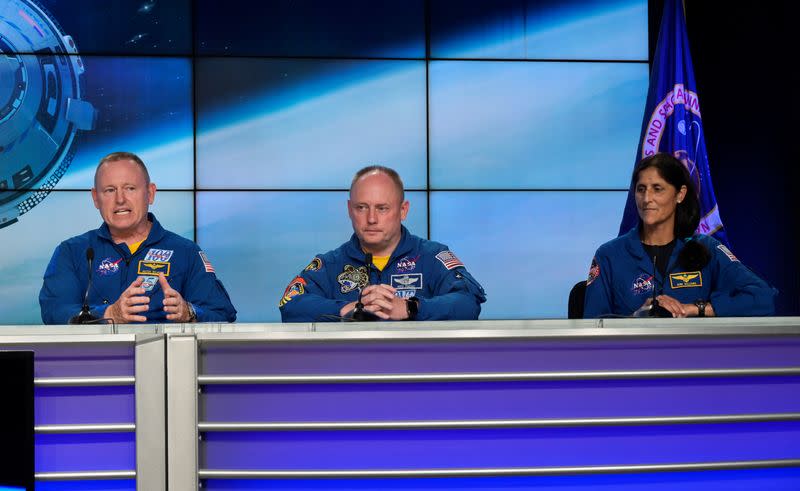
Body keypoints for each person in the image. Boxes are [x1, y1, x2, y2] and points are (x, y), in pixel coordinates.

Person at [39, 152, 237, 324]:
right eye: (109, 190)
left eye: (130, 188)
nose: (120, 199)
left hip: (163, 364)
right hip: (94, 364)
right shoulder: (72, 252)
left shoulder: (186, 252)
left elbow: (223, 315)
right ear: (95, 198)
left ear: (150, 193)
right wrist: (108, 314)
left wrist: (189, 313)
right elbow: (53, 311)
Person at [279, 165, 486, 322]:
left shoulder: (432, 257)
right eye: (361, 207)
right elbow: (290, 304)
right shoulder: (329, 264)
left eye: (382, 208)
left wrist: (409, 308)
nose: (371, 219)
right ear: (350, 209)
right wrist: (347, 308)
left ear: (403, 210)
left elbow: (469, 302)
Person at [583, 153, 776, 318]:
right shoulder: (609, 255)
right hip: (632, 359)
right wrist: (636, 319)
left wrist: (694, 309)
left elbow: (763, 298)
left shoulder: (707, 249)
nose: (647, 198)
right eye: (641, 189)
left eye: (657, 189)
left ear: (680, 194)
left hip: (694, 359)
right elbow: (592, 324)